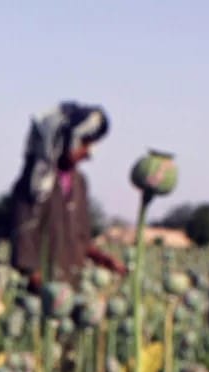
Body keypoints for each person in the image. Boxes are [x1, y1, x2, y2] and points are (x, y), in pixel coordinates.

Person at [8, 101, 127, 292]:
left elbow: (82, 240)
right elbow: (24, 245)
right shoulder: (33, 183)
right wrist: (42, 286)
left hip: (74, 289)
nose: (89, 153)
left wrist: (104, 260)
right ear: (62, 140)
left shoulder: (80, 183)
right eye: (85, 143)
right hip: (41, 296)